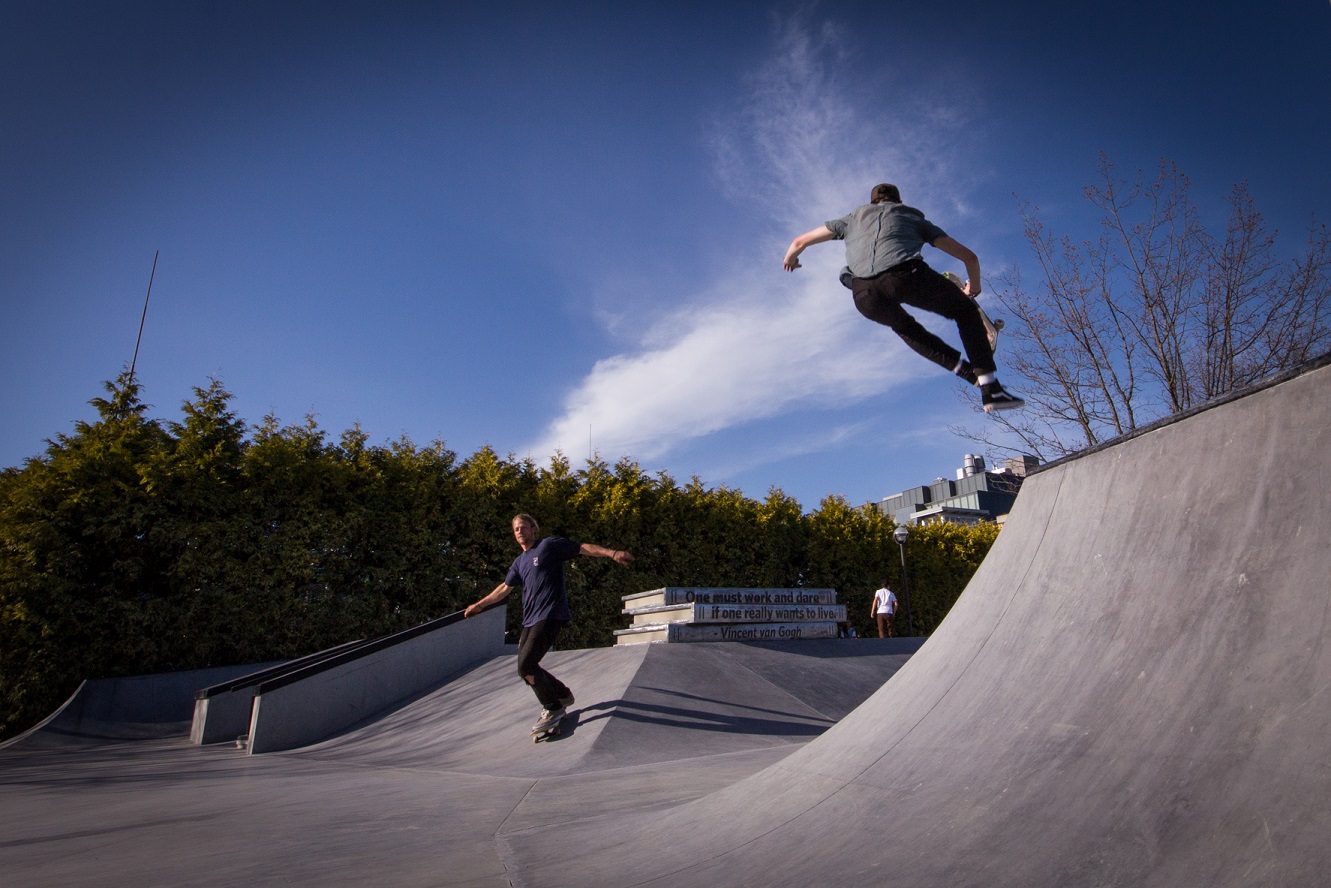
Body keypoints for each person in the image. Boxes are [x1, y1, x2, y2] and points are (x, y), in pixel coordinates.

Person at [783, 182, 1024, 413]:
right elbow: (970, 258)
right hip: (906, 276)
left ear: (872, 201)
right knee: (965, 312)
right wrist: (974, 289)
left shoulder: (850, 219)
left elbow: (799, 241)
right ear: (899, 201)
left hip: (864, 294)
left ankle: (970, 375)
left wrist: (790, 259)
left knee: (906, 329)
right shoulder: (912, 217)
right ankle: (990, 387)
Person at [464, 514, 634, 732]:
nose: (519, 532)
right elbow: (504, 589)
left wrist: (612, 553)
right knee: (524, 669)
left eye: (524, 527)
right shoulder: (519, 562)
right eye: (516, 529)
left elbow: (582, 548)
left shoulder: (549, 546)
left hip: (551, 615)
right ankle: (562, 694)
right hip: (529, 620)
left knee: (526, 665)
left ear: (534, 529)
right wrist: (479, 605)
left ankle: (553, 707)